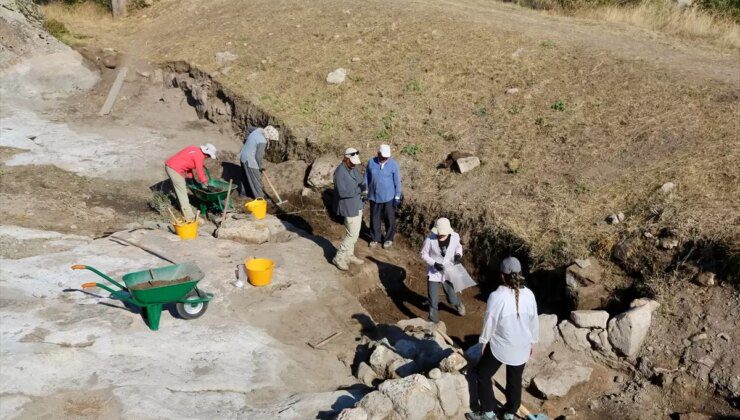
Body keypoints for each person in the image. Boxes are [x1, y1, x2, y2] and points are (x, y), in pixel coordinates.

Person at [466, 257, 539, 420]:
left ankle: (489, 413)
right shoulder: (529, 294)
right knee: (514, 380)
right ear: (520, 274)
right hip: (522, 346)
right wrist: (533, 341)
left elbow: (489, 322)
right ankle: (510, 413)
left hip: (501, 346)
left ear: (502, 276)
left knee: (483, 375)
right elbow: (534, 320)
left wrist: (484, 341)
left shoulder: (496, 296)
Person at [420, 217, 466, 322]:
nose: (440, 235)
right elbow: (424, 254)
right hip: (434, 272)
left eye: (443, 234)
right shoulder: (430, 239)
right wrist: (434, 263)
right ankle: (433, 322)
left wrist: (458, 255)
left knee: (451, 297)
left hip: (448, 271)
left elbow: (459, 247)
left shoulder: (455, 237)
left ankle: (457, 304)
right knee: (433, 300)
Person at [332, 147, 367, 271]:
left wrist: (364, 188)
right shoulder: (340, 172)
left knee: (354, 233)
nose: (354, 165)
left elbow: (360, 181)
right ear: (346, 159)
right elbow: (342, 192)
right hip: (348, 207)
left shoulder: (353, 168)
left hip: (357, 204)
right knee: (352, 235)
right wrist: (359, 190)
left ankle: (349, 255)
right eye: (352, 162)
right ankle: (339, 257)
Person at [164, 144, 217, 221]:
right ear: (207, 154)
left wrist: (191, 178)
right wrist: (206, 184)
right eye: (208, 156)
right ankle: (189, 217)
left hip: (170, 166)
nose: (207, 158)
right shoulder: (200, 156)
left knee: (178, 190)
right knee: (182, 192)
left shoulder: (194, 148)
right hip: (174, 169)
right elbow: (200, 171)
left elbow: (188, 164)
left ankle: (182, 209)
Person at [365, 144, 402, 249]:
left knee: (389, 219)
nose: (385, 158)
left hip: (388, 197)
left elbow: (397, 181)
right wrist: (365, 191)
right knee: (374, 218)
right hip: (374, 196)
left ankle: (388, 239)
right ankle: (375, 238)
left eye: (387, 156)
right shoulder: (371, 162)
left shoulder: (393, 164)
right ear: (378, 153)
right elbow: (366, 178)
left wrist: (397, 196)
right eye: (383, 156)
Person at [239, 125, 279, 198]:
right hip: (250, 161)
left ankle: (244, 194)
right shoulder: (262, 141)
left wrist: (246, 140)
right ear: (269, 136)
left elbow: (248, 128)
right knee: (256, 179)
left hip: (243, 156)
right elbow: (258, 156)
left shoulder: (258, 130)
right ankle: (260, 197)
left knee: (246, 176)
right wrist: (260, 167)